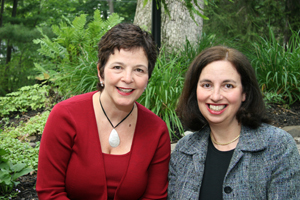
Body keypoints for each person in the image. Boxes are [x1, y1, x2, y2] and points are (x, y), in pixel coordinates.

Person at [36, 23, 170, 200]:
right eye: (117, 67)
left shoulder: (157, 131)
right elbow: (50, 191)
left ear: (147, 79)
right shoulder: (65, 116)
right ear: (101, 72)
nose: (127, 78)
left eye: (139, 70)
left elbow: (154, 197)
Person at [168, 46, 300, 199]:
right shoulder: (184, 151)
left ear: (244, 93)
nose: (216, 96)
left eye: (228, 85)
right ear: (195, 90)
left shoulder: (277, 147)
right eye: (207, 85)